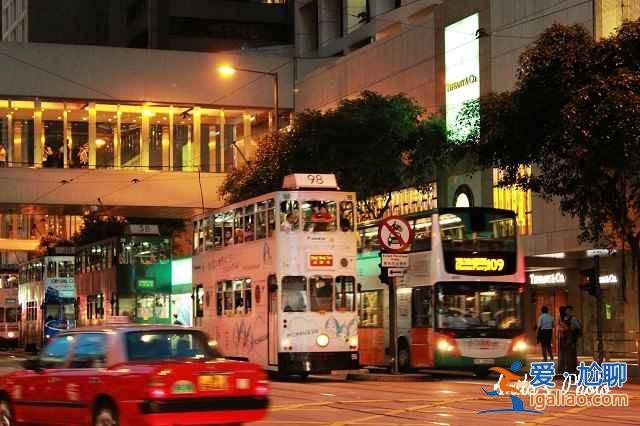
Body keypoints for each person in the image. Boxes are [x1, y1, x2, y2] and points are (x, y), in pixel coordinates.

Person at [558, 305, 581, 374]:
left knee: (571, 354)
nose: (567, 312)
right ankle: (564, 368)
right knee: (564, 354)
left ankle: (572, 368)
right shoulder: (563, 318)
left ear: (571, 311)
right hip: (563, 338)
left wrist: (569, 329)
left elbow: (577, 327)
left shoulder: (573, 318)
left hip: (570, 339)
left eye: (568, 310)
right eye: (566, 310)